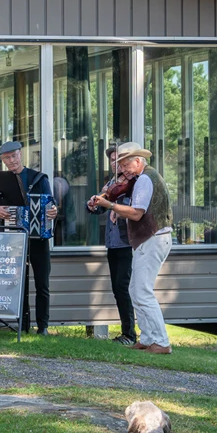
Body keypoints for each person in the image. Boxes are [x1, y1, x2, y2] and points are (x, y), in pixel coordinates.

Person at [89, 142, 173, 355]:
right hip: (150, 239)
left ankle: (161, 342)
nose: (123, 170)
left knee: (142, 291)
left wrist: (110, 205)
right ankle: (146, 338)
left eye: (126, 164)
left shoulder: (145, 179)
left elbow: (136, 213)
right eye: (121, 165)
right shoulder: (145, 177)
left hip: (153, 238)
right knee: (135, 290)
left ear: (138, 161)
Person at [0, 141, 58, 335]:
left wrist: (53, 211)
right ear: (2, 160)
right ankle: (22, 324)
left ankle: (42, 326)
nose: (11, 161)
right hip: (13, 238)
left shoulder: (39, 178)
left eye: (14, 156)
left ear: (21, 155)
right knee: (18, 282)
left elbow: (51, 203)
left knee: (42, 282)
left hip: (38, 238)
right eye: (6, 158)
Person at [87, 144, 137, 346]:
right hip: (113, 242)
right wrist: (92, 204)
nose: (115, 163)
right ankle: (127, 333)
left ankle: (130, 334)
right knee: (117, 288)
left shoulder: (135, 183)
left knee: (123, 287)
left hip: (127, 242)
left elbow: (134, 210)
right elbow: (101, 206)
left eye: (118, 159)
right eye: (112, 160)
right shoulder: (111, 184)